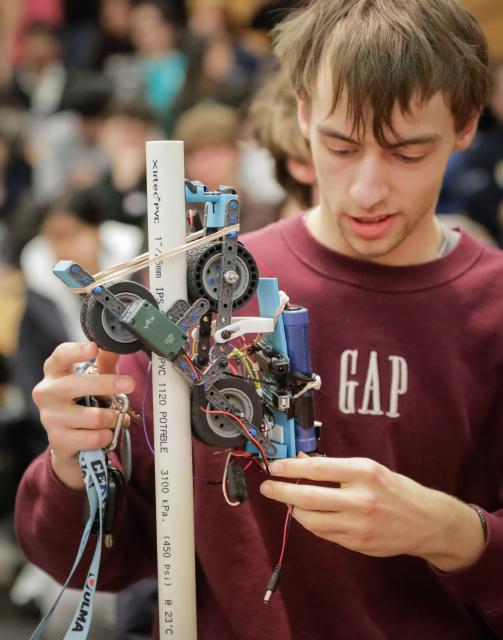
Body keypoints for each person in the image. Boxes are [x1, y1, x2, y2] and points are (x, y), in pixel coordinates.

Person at [14, 1, 503, 639]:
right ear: (302, 112)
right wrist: (71, 460)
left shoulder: (491, 312)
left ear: (467, 124)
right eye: (341, 145)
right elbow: (100, 559)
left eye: (407, 153)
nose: (366, 189)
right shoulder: (197, 291)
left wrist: (457, 535)